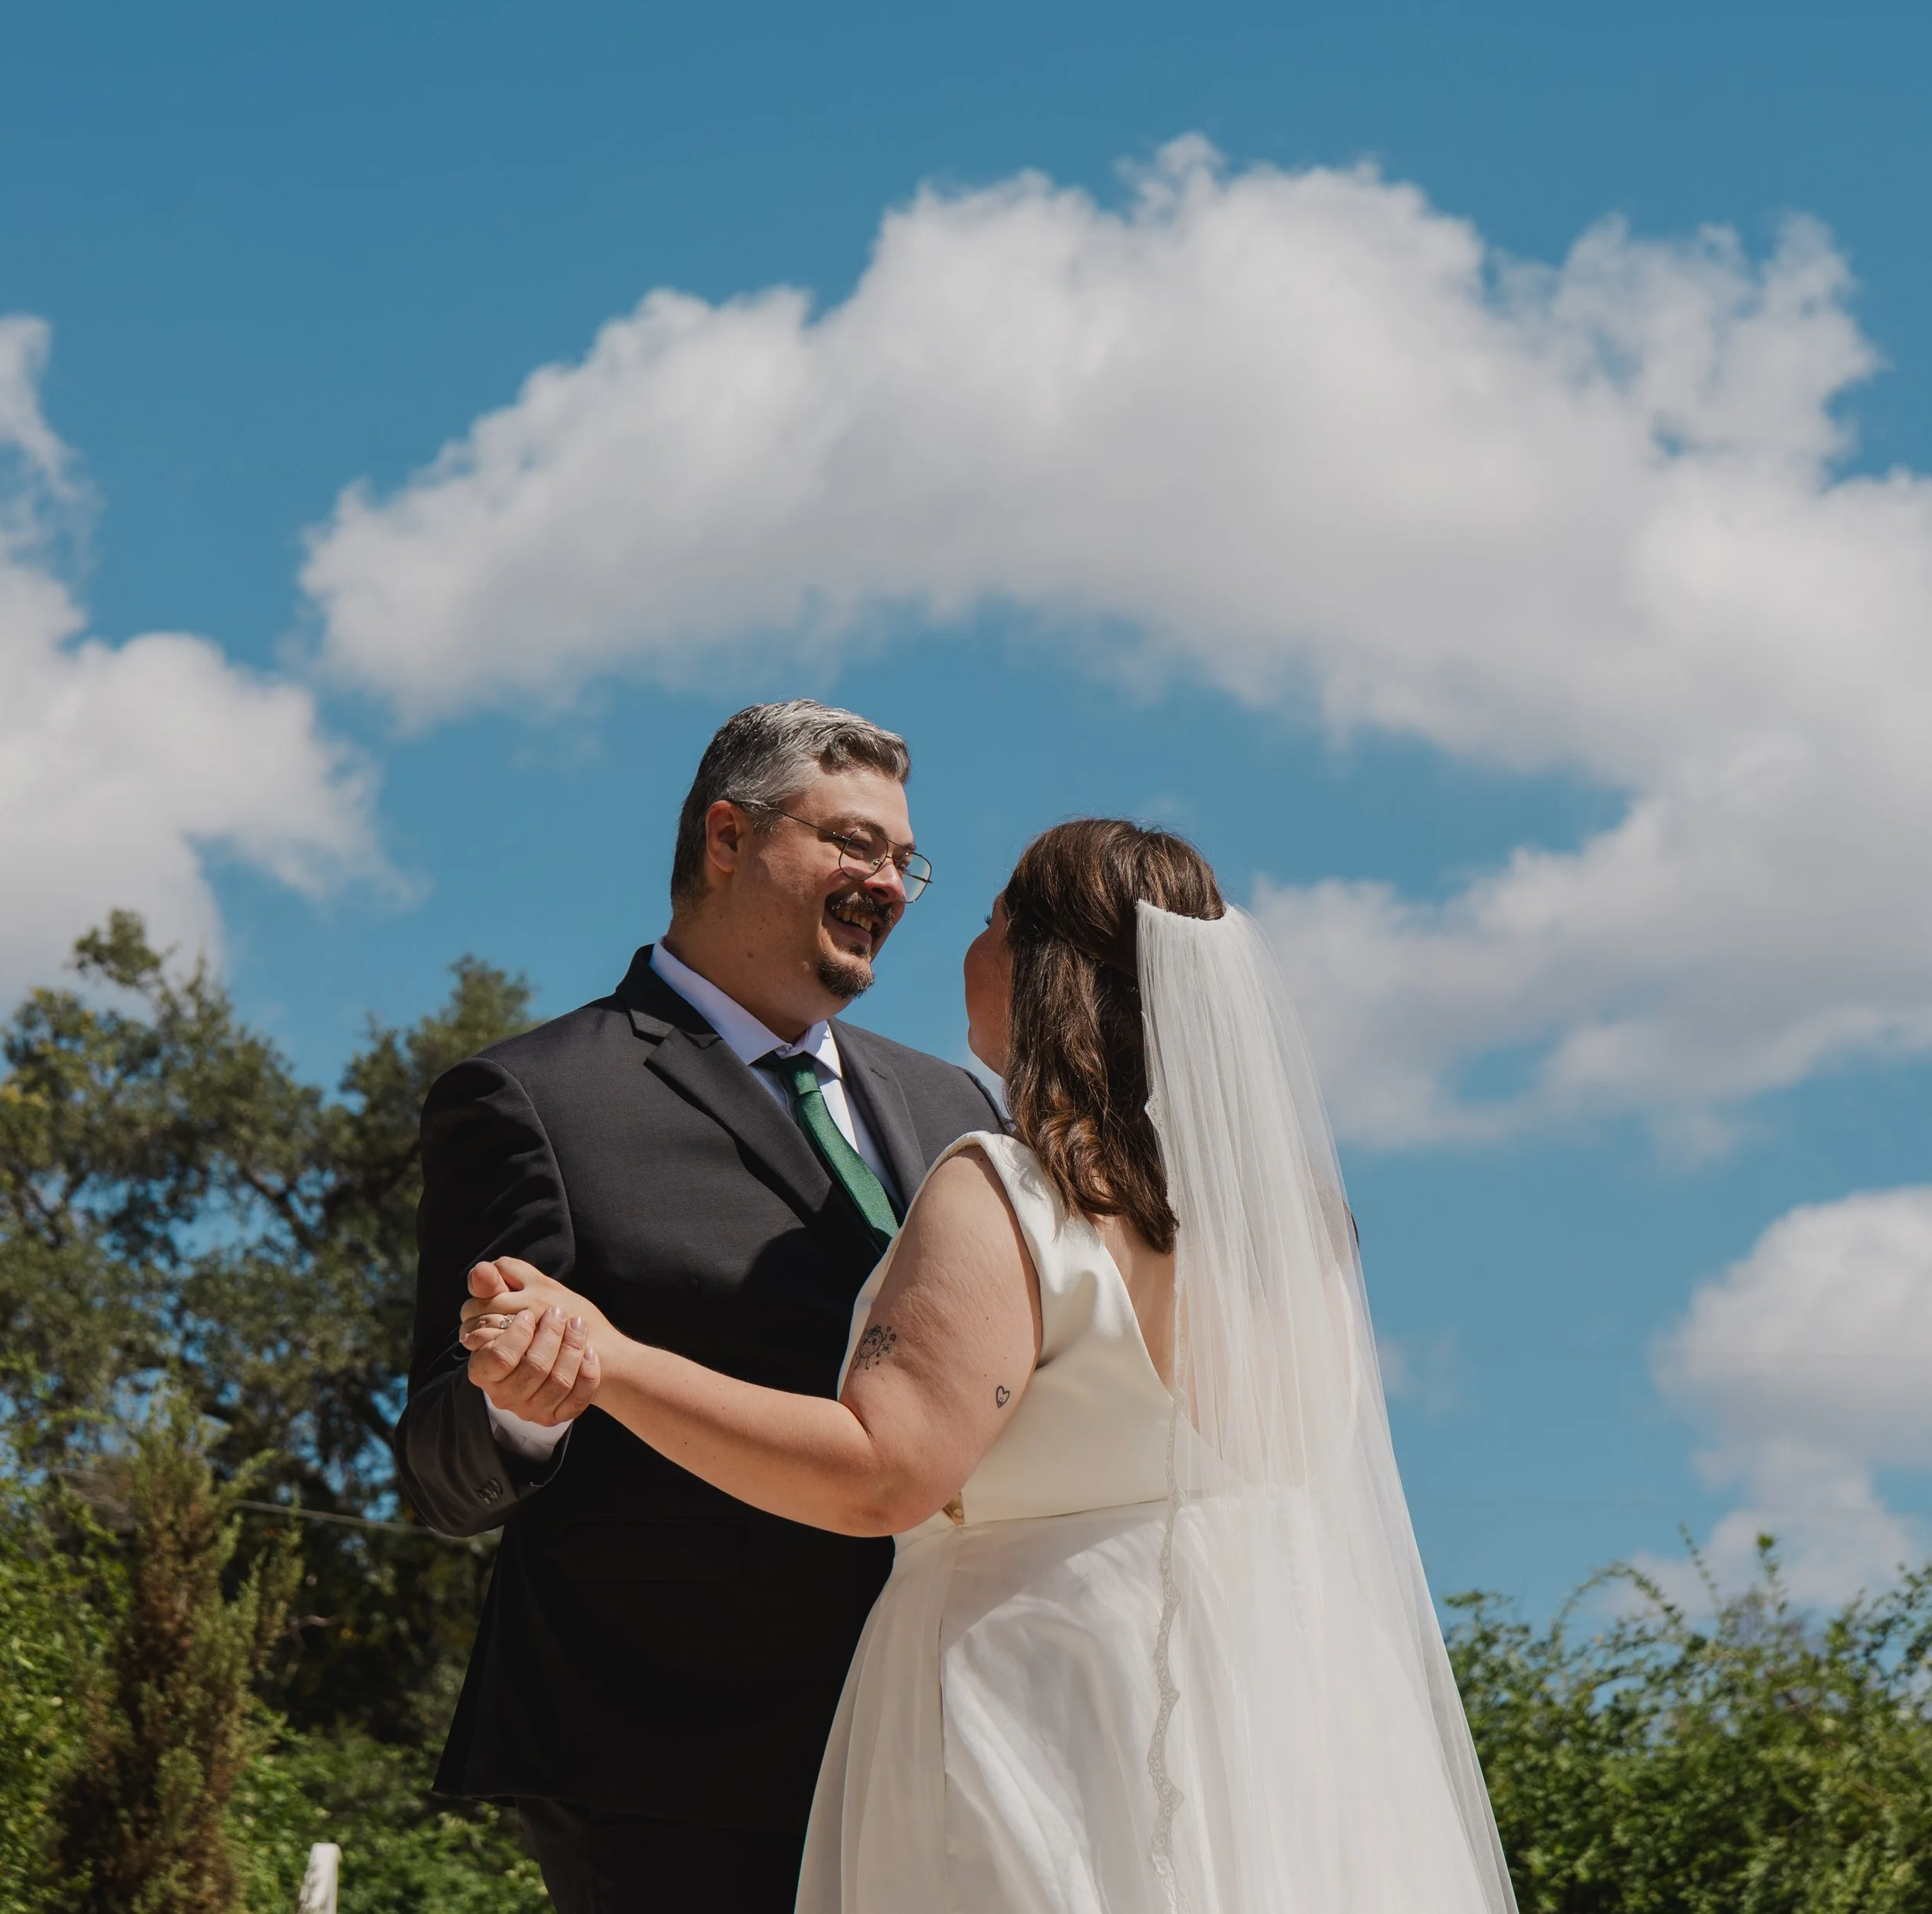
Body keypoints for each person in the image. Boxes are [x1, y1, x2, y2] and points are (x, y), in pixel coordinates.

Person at [462, 817, 1519, 1913]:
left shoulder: (1013, 1185)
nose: (961, 946)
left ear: (1037, 966)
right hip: (1252, 1734)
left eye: (987, 921)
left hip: (1034, 1722)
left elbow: (881, 1470)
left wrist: (612, 1360)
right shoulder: (1297, 1231)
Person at [394, 701, 1001, 1914]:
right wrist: (526, 1409)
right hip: (672, 1774)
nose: (888, 883)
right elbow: (440, 1470)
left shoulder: (959, 1110)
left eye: (903, 859)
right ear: (728, 837)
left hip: (956, 1742)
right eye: (854, 843)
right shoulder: (533, 1098)